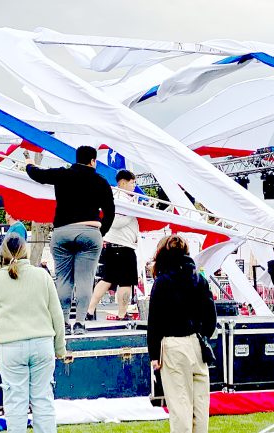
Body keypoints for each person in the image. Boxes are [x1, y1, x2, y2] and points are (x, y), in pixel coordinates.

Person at [25, 146, 115, 335]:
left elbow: (37, 175)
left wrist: (29, 164)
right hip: (90, 232)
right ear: (93, 161)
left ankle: (64, 322)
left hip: (62, 232)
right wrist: (101, 232)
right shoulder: (101, 181)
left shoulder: (62, 174)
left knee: (63, 280)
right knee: (84, 280)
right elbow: (110, 211)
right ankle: (80, 323)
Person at [0, 234, 66, 433]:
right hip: (42, 343)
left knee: (15, 403)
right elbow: (57, 315)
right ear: (26, 250)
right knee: (43, 400)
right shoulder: (42, 276)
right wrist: (60, 348)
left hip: (11, 346)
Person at [147, 235, 217, 433]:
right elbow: (211, 316)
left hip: (173, 346)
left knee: (180, 406)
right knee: (200, 406)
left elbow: (155, 322)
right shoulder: (199, 279)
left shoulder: (162, 282)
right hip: (197, 343)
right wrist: (202, 336)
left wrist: (154, 354)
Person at [87, 169, 139, 321]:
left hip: (118, 245)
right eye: (132, 182)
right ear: (123, 182)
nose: (134, 186)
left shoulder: (121, 198)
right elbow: (115, 222)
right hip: (121, 246)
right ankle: (121, 314)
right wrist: (132, 212)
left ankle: (89, 310)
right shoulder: (120, 198)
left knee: (108, 280)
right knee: (123, 281)